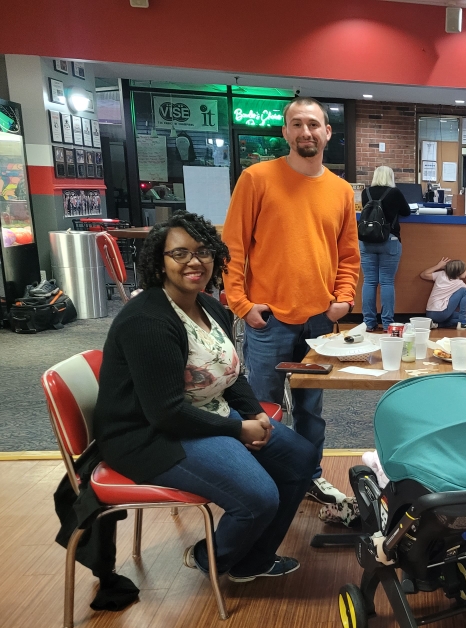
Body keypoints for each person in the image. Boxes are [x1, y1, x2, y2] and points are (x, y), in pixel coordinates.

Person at [94, 212, 320, 582]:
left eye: (202, 251)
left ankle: (253, 560)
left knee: (301, 458)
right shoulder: (148, 321)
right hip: (152, 436)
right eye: (179, 254)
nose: (193, 261)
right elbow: (166, 414)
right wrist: (239, 430)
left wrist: (254, 415)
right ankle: (211, 557)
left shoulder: (210, 306)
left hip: (208, 414)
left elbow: (231, 375)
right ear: (159, 262)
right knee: (258, 497)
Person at [223, 96, 360, 514]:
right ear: (285, 131)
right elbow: (233, 249)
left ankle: (309, 476)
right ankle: (261, 485)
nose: (306, 132)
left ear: (327, 132)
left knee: (311, 412)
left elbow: (349, 254)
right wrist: (241, 305)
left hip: (319, 322)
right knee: (262, 408)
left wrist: (343, 299)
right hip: (268, 321)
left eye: (314, 125)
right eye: (297, 124)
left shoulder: (340, 190)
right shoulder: (256, 178)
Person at [360, 166, 412, 332]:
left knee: (369, 281)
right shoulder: (394, 193)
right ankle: (387, 323)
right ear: (390, 177)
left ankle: (369, 323)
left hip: (367, 241)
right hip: (389, 240)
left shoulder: (365, 193)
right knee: (387, 282)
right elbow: (407, 212)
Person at [421, 257, 466, 330]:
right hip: (441, 313)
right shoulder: (460, 284)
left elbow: (424, 274)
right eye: (464, 270)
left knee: (458, 316)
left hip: (430, 313)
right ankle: (463, 323)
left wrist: (438, 266)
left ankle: (436, 325)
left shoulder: (441, 274)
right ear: (458, 272)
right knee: (464, 291)